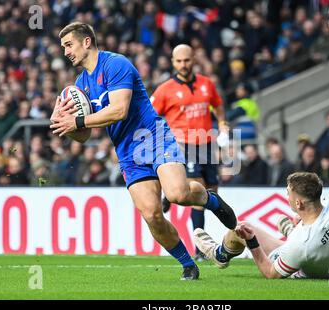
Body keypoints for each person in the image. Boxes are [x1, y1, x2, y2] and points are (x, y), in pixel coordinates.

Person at [49, 22, 237, 280]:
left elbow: (119, 110)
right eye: (63, 47)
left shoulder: (116, 64)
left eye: (69, 45)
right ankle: (188, 264)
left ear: (87, 42)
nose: (66, 52)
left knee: (178, 194)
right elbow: (83, 136)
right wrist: (63, 124)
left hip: (153, 137)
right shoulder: (81, 84)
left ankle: (210, 200)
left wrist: (78, 121)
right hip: (127, 152)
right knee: (151, 214)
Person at [194, 172, 329, 279]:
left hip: (307, 263)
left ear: (299, 203)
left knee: (242, 228)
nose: (287, 197)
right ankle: (294, 229)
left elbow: (270, 273)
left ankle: (220, 255)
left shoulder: (301, 244)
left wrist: (252, 241)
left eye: (288, 193)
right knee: (290, 225)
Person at [150, 44, 229, 261]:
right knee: (199, 192)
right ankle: (200, 249)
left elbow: (218, 106)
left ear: (193, 59)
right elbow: (150, 116)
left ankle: (170, 192)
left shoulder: (207, 84)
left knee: (211, 193)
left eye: (187, 60)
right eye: (179, 61)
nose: (183, 65)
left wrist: (222, 125)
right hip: (183, 145)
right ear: (173, 62)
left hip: (208, 144)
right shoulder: (165, 90)